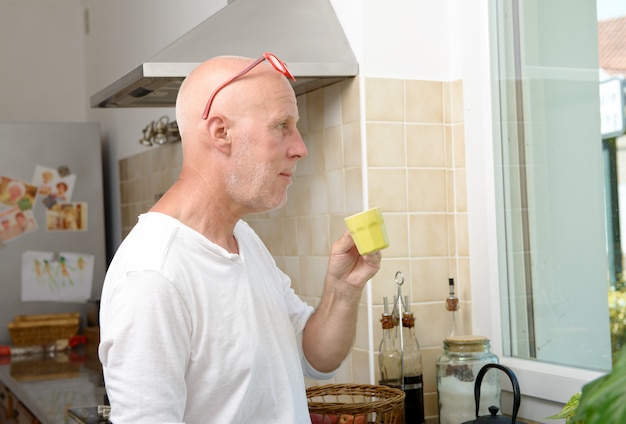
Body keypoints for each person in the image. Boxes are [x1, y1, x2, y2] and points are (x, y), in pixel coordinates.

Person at [98, 52, 382, 424]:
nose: (300, 147)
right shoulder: (154, 276)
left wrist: (342, 291)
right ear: (221, 133)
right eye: (282, 125)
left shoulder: (243, 239)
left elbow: (315, 357)